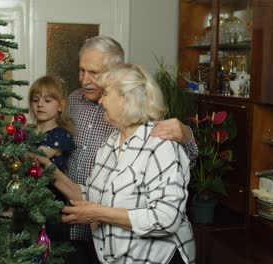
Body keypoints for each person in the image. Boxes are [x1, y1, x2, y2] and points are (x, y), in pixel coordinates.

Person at [37, 63, 195, 264]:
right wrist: (50, 171)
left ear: (127, 98)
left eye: (106, 94)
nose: (100, 101)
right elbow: (95, 195)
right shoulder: (109, 143)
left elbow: (165, 218)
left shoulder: (160, 144)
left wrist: (97, 213)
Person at [28, 75, 75, 241]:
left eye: (47, 101)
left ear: (60, 106)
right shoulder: (27, 130)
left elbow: (37, 157)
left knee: (49, 246)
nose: (40, 105)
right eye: (35, 100)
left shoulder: (60, 134)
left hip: (51, 204)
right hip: (26, 202)